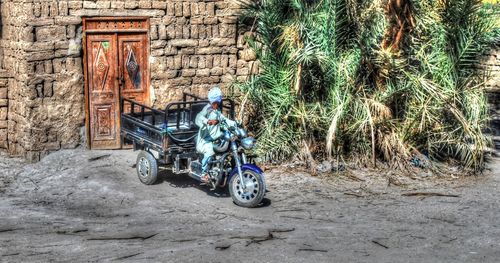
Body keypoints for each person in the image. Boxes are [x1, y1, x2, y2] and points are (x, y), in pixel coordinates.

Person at [195, 87, 236, 183]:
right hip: (205, 140)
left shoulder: (217, 111)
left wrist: (235, 124)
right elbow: (198, 117)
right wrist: (207, 121)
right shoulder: (207, 110)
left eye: (218, 102)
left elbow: (224, 120)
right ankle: (204, 173)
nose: (217, 104)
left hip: (216, 138)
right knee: (209, 151)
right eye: (216, 102)